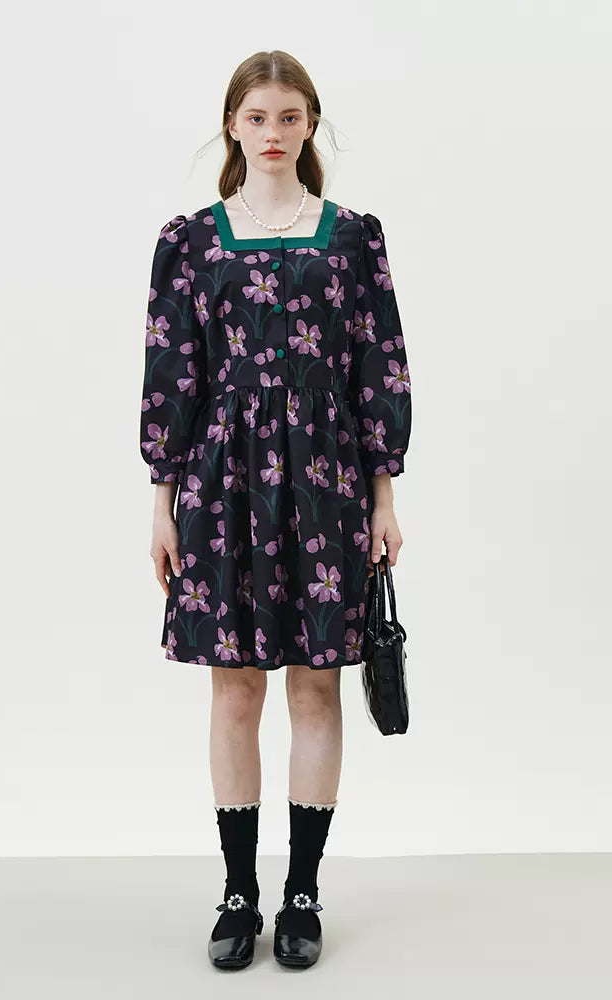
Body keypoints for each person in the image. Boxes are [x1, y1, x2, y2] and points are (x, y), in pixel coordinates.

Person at [138, 50, 412, 969]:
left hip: (329, 481)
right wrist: (163, 502)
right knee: (234, 687)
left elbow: (378, 362)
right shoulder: (191, 241)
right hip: (221, 482)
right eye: (256, 116)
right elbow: (171, 371)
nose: (272, 133)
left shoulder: (352, 237)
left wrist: (384, 495)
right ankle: (236, 891)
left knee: (314, 685)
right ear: (233, 124)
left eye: (289, 117)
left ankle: (301, 892)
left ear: (310, 125)